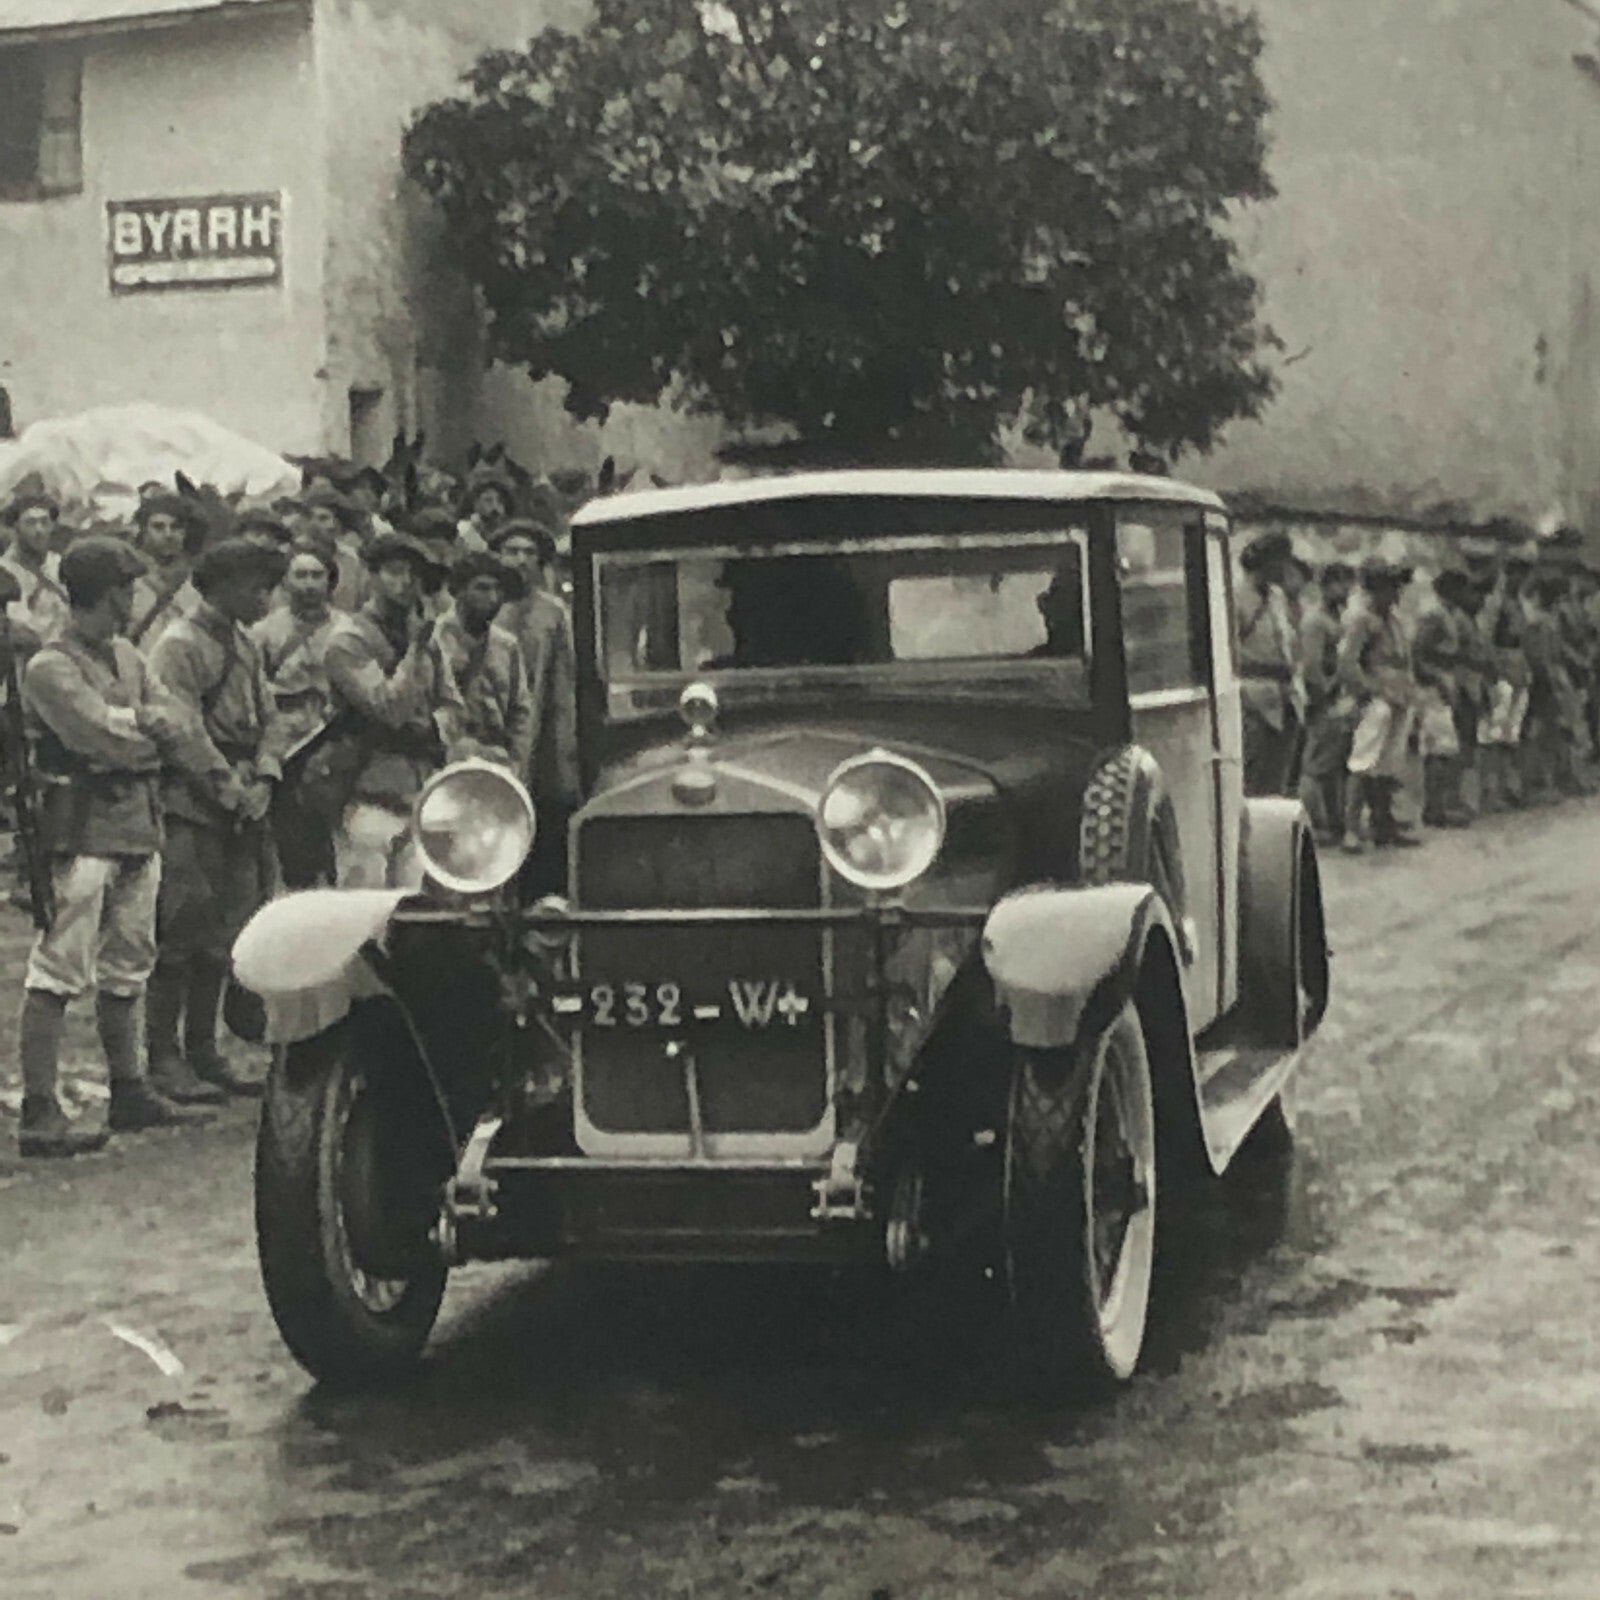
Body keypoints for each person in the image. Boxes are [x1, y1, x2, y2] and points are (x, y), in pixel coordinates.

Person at [14, 536, 245, 1156]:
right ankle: (39, 1108)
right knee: (60, 966)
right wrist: (149, 730)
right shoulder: (49, 666)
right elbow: (99, 738)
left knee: (128, 965)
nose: (130, 599)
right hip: (80, 828)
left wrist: (210, 774)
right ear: (105, 591)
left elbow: (177, 726)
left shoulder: (126, 656)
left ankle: (129, 1087)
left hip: (137, 825)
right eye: (124, 588)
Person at [146, 538, 290, 1101]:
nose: (264, 596)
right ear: (225, 585)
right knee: (181, 929)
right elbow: (181, 730)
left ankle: (204, 1050)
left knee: (224, 934)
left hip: (244, 795)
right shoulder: (179, 646)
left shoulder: (245, 643)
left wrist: (267, 775)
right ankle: (163, 1056)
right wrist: (230, 790)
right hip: (193, 804)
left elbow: (270, 716)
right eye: (257, 585)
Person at [318, 531, 465, 887]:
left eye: (415, 576)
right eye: (395, 572)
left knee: (419, 912)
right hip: (367, 793)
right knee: (364, 915)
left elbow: (454, 707)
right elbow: (388, 708)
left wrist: (434, 728)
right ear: (372, 576)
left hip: (422, 795)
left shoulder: (427, 639)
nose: (405, 583)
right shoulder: (349, 640)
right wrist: (414, 654)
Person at [490, 518, 579, 893]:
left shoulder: (553, 612)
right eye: (512, 552)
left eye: (529, 553)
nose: (520, 560)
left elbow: (564, 680)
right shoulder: (484, 604)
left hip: (541, 730)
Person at [252, 536, 339, 887]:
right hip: (285, 747)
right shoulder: (264, 632)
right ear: (286, 582)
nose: (308, 584)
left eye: (316, 575)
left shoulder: (347, 629)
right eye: (300, 575)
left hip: (333, 743)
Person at [1338, 559, 1422, 850]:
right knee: (1363, 762)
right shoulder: (1362, 620)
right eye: (1389, 587)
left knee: (1388, 764)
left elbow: (1405, 662)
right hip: (1377, 700)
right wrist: (1371, 691)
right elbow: (1348, 664)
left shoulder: (1394, 621)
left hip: (1399, 698)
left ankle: (1383, 825)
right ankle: (1350, 828)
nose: (1395, 593)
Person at [434, 550, 534, 773]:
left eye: (498, 589)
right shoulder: (434, 640)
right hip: (447, 766)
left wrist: (516, 764)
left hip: (498, 765)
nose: (492, 598)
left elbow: (520, 711)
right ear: (459, 591)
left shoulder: (507, 645)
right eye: (482, 588)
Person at [1235, 530, 1300, 797]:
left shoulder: (1277, 597)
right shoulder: (1236, 597)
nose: (1286, 568)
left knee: (1279, 773)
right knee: (1253, 771)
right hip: (1254, 694)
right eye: (1280, 562)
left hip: (1284, 693)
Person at [1296, 561, 1357, 843]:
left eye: (1348, 583)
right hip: (1325, 700)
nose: (1345, 590)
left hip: (1339, 698)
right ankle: (1305, 826)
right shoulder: (1316, 621)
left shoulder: (1338, 618)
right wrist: (1324, 694)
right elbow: (1312, 666)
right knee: (1317, 766)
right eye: (1339, 583)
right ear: (1325, 586)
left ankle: (1335, 823)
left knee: (1336, 765)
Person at [1412, 569, 1474, 828]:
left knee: (1449, 748)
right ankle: (1434, 807)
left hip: (1447, 680)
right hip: (1433, 686)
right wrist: (1435, 678)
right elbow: (1418, 653)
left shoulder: (1451, 614)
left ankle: (1446, 802)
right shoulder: (1433, 615)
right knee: (1438, 748)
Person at [1476, 551, 1533, 812]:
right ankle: (1490, 790)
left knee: (1512, 733)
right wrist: (1495, 671)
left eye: (1522, 574)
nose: (1518, 579)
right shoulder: (1495, 603)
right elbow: (1486, 640)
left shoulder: (1518, 603)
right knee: (1494, 734)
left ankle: (1509, 787)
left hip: (1518, 666)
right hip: (1501, 669)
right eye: (1514, 573)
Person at [127, 492, 205, 652]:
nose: (168, 534)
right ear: (144, 531)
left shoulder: (199, 582)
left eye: (176, 527)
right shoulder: (128, 579)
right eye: (158, 527)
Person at [1, 490, 70, 654]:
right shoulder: (4, 571)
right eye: (30, 522)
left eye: (44, 522)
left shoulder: (60, 564)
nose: (39, 530)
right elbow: (17, 630)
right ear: (16, 527)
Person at [297, 485, 368, 611]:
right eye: (323, 518)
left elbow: (360, 603)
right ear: (307, 521)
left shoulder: (351, 559)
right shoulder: (293, 555)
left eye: (337, 519)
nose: (332, 525)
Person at [457, 465, 516, 554]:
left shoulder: (509, 531)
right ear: (475, 503)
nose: (495, 507)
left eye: (500, 501)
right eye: (488, 500)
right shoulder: (466, 528)